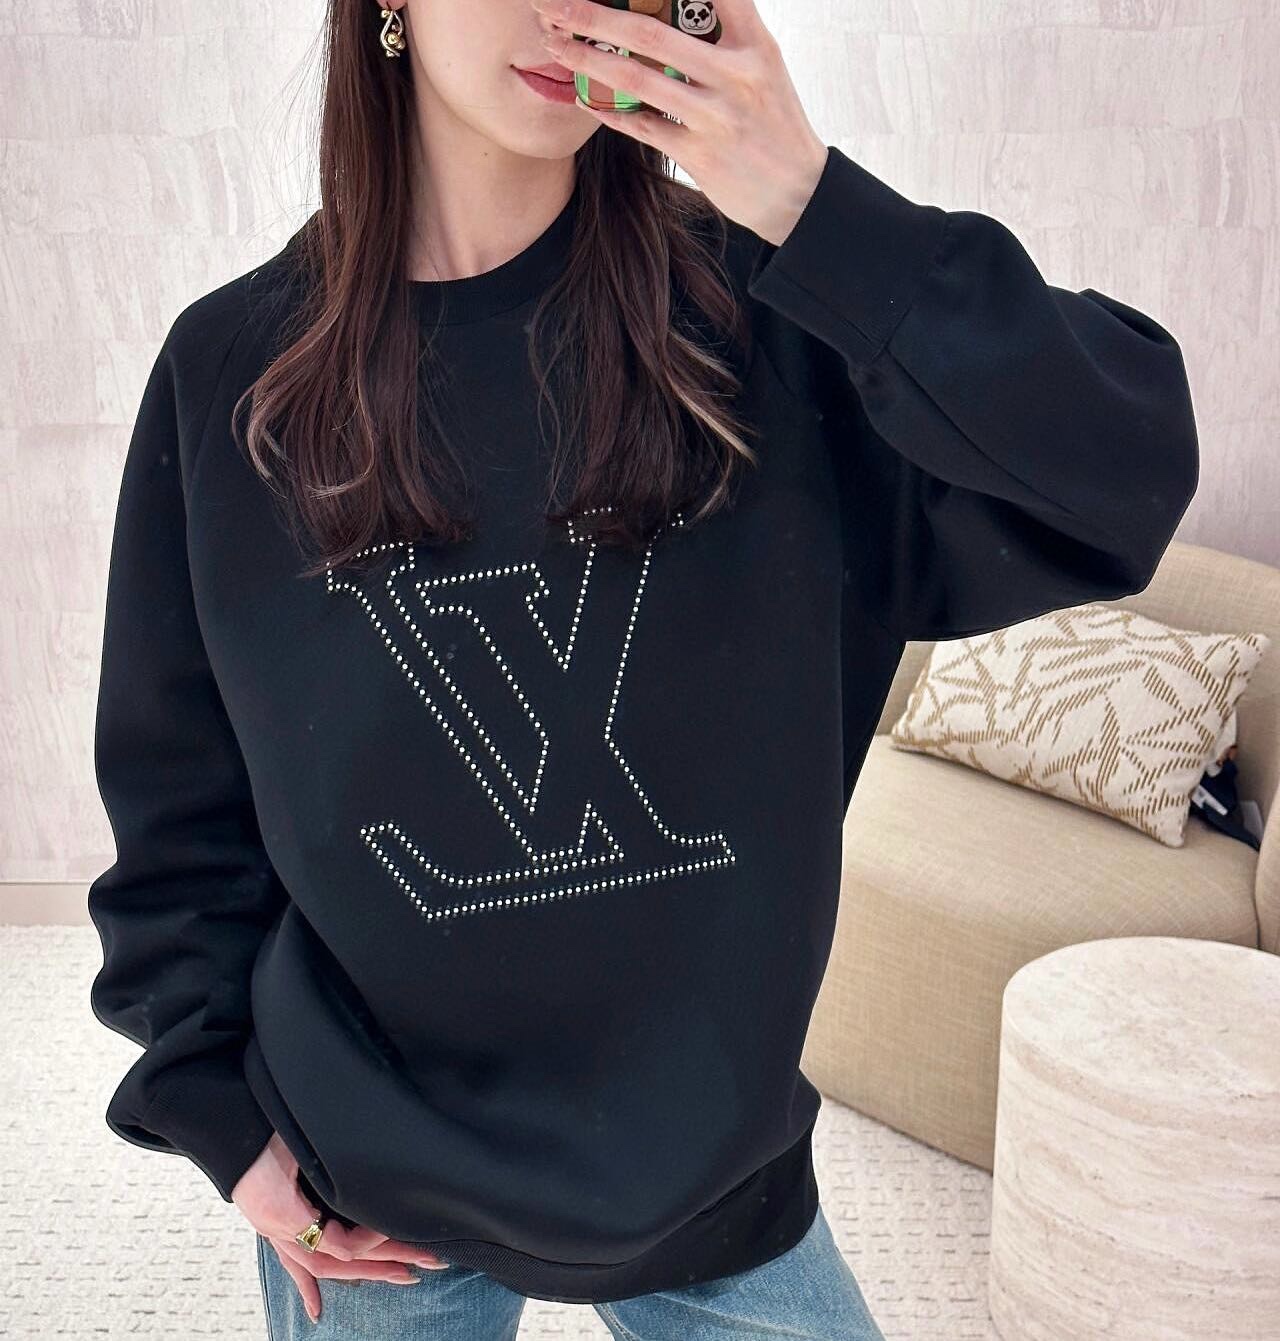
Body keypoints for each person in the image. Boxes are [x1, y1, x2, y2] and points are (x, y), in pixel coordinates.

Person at [85, 0, 1200, 1336]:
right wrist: (221, 1120)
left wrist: (818, 209)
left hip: (715, 1189)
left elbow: (1124, 479)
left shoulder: (772, 323)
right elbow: (178, 800)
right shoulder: (234, 373)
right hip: (372, 1197)